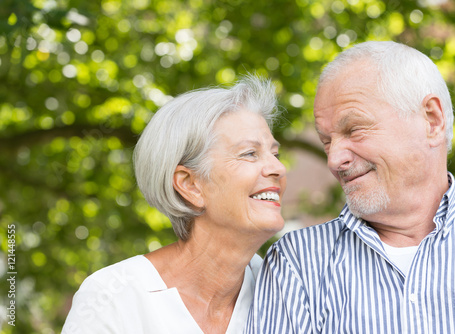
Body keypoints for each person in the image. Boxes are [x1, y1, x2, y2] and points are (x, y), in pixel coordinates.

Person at [246, 41, 455, 333]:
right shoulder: (298, 262)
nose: (334, 159)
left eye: (354, 129)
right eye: (326, 141)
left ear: (432, 120)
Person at [62, 75, 287, 334]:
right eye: (250, 153)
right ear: (190, 185)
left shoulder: (284, 290)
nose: (278, 168)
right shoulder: (113, 299)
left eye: (275, 153)